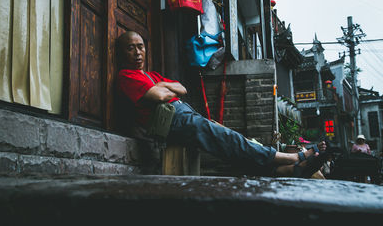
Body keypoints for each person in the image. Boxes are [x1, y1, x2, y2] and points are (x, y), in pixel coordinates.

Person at [115, 31, 327, 178]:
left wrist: (162, 85)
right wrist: (164, 88)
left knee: (228, 142)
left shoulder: (151, 75)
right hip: (170, 121)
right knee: (227, 138)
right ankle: (292, 157)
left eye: (140, 47)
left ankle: (286, 171)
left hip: (184, 114)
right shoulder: (126, 76)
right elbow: (159, 96)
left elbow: (182, 88)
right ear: (123, 53)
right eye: (131, 48)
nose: (137, 53)